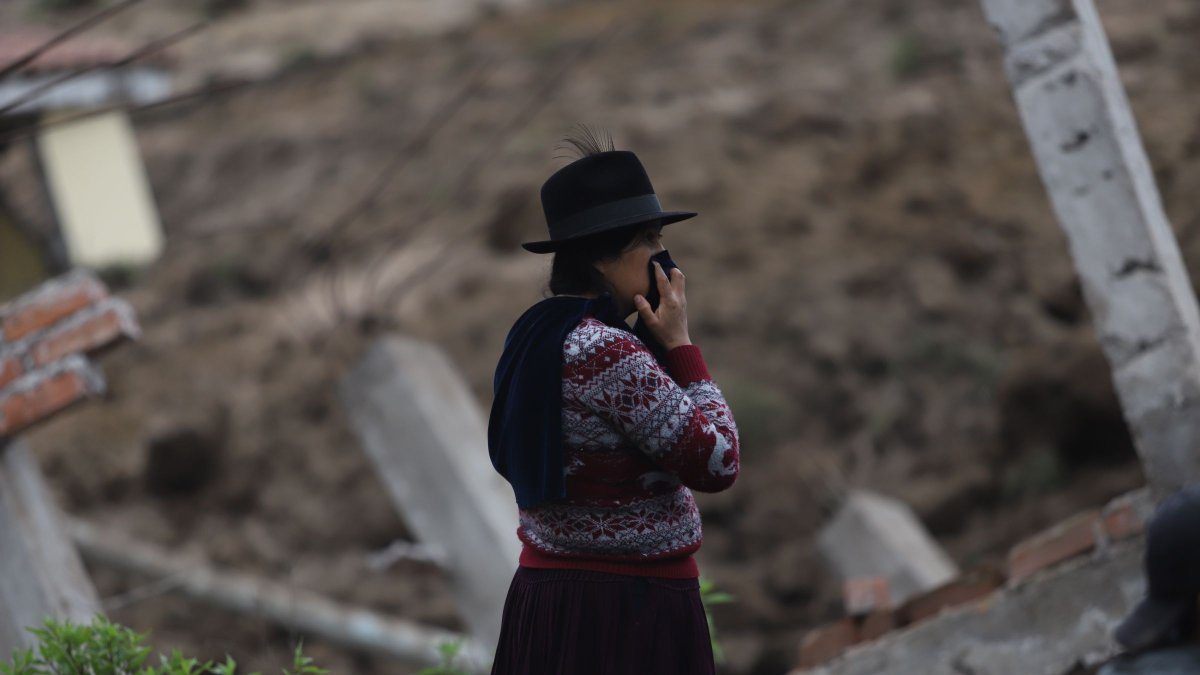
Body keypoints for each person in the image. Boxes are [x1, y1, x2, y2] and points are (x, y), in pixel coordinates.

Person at [486, 131, 741, 675]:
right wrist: (681, 345)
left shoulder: (535, 335)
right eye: (648, 239)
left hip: (548, 601)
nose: (664, 258)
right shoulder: (608, 351)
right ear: (603, 256)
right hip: (626, 613)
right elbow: (719, 462)